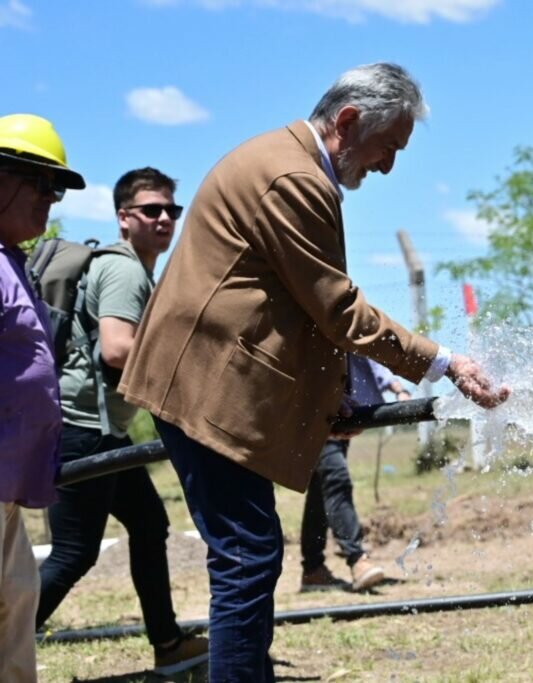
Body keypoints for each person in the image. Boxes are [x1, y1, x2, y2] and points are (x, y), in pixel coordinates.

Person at [118, 63, 509, 681]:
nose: (388, 167)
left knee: (249, 554)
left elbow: (292, 309)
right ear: (348, 121)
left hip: (205, 383)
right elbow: (336, 307)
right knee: (246, 557)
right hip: (204, 388)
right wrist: (443, 362)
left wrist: (331, 399)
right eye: (387, 146)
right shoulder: (294, 178)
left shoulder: (285, 163)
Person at [35, 167, 208, 675]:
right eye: (151, 210)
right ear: (124, 218)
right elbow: (117, 349)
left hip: (103, 428)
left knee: (149, 523)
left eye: (171, 210)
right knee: (73, 552)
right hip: (83, 428)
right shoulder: (125, 270)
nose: (164, 219)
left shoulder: (134, 268)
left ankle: (168, 642)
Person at [0, 113, 82, 683]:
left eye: (57, 188)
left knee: (16, 597)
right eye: (40, 182)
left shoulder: (13, 261)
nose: (51, 198)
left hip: (7, 480)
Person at [299, 356, 411, 592]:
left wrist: (398, 388)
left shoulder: (348, 337)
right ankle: (357, 558)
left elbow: (367, 356)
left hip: (342, 411)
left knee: (320, 489)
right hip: (314, 406)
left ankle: (313, 569)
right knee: (336, 477)